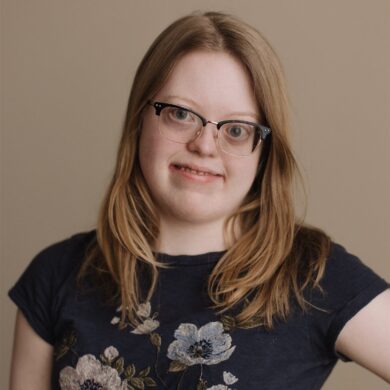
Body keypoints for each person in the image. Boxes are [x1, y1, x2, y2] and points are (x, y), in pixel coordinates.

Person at [8, 11, 390, 390]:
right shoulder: (55, 276)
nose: (204, 145)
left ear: (264, 151)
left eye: (237, 129)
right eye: (180, 114)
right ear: (140, 118)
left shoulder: (313, 276)